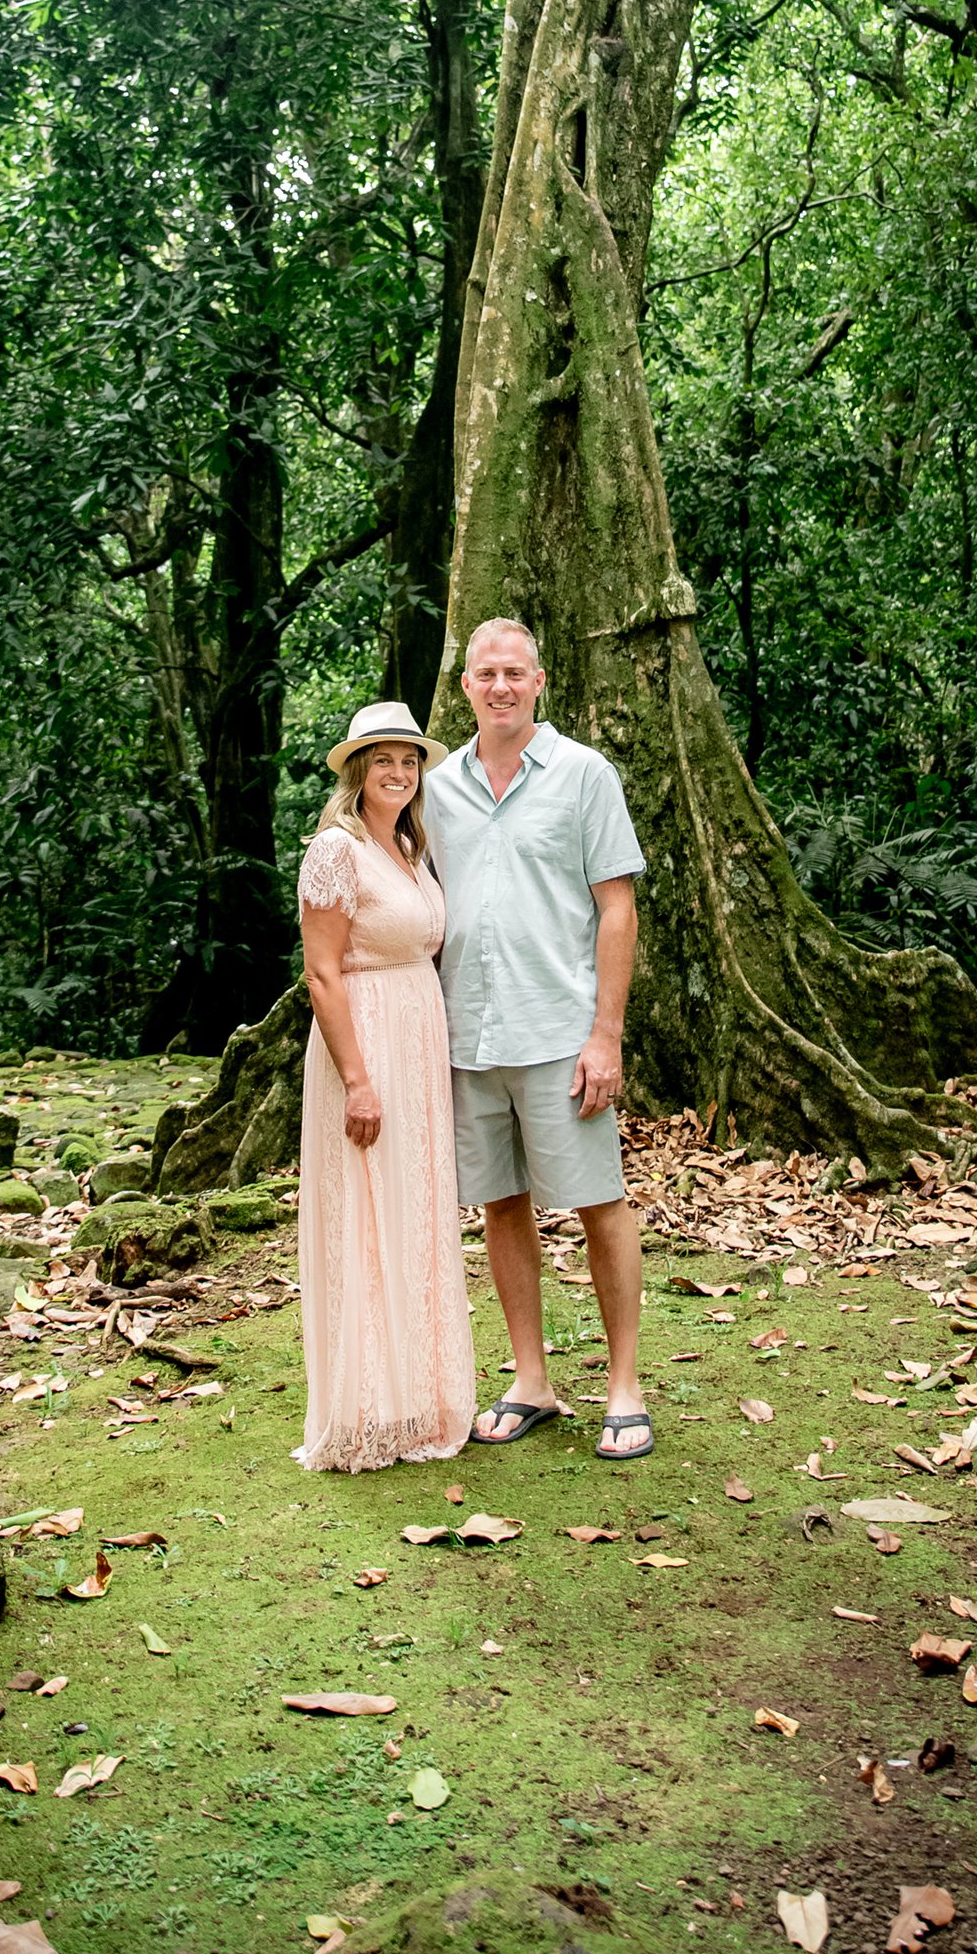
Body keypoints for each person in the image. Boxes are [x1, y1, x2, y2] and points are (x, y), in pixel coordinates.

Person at [423, 617, 652, 1461]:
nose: (501, 687)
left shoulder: (585, 776)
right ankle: (533, 1380)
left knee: (598, 1202)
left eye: (515, 672)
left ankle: (625, 1386)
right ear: (466, 686)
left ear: (540, 680)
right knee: (502, 1205)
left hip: (561, 1031)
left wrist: (607, 1034)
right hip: (467, 1035)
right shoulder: (436, 785)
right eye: (486, 673)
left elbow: (617, 907)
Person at [293, 699, 477, 1472]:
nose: (397, 772)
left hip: (416, 1036)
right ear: (357, 772)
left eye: (409, 760)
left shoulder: (408, 847)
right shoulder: (335, 852)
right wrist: (357, 1079)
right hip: (365, 1041)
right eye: (382, 760)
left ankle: (414, 1399)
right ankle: (364, 1408)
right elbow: (322, 973)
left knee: (412, 1207)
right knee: (365, 1213)